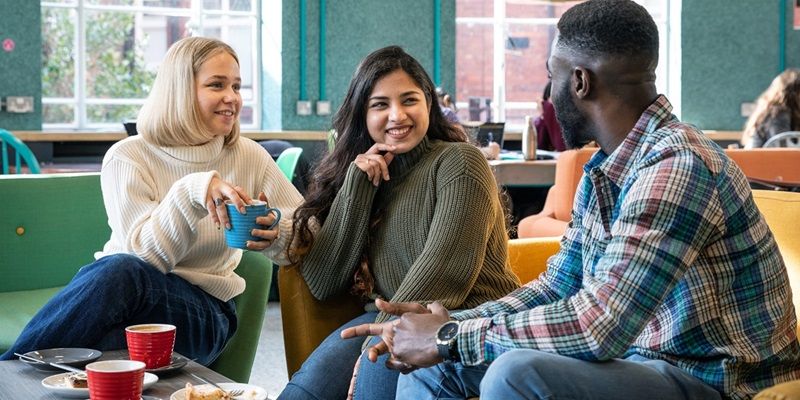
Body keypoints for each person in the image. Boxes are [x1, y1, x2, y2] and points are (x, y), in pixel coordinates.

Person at [342, 1, 800, 399]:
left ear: (579, 81)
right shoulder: (605, 168)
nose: (550, 93)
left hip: (712, 380)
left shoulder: (677, 166)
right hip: (639, 360)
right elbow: (558, 287)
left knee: (515, 374)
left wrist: (448, 336)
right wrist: (450, 326)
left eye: (551, 76)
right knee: (439, 362)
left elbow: (597, 326)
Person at [0, 37, 303, 365]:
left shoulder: (248, 155)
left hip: (203, 316)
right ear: (180, 90)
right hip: (127, 303)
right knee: (93, 349)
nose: (232, 98)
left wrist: (277, 235)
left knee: (119, 274)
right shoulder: (127, 156)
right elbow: (145, 257)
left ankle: (7, 374)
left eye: (237, 86)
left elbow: (308, 228)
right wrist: (192, 192)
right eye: (217, 85)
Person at [277, 45, 520, 400]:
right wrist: (356, 186)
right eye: (380, 104)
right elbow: (322, 282)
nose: (397, 115)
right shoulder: (369, 173)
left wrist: (375, 343)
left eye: (409, 100)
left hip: (466, 320)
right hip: (390, 320)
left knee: (373, 379)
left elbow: (443, 276)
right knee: (301, 394)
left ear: (428, 105)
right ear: (362, 114)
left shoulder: (460, 163)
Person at [741, 68, 800, 148]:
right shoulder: (778, 113)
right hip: (759, 159)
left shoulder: (770, 111)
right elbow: (782, 148)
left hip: (756, 158)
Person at [535, 81, 567, 152]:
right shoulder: (543, 120)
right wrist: (543, 117)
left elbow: (562, 147)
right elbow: (540, 148)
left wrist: (548, 109)